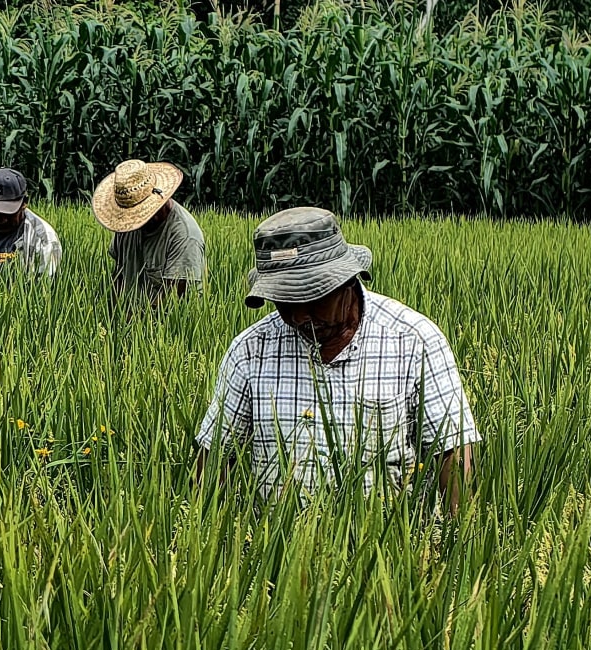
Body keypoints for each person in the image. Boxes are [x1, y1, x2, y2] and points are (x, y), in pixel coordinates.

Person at [195, 207, 479, 511]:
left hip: (388, 547)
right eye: (285, 302)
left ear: (346, 281)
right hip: (280, 548)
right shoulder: (250, 350)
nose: (300, 316)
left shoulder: (413, 340)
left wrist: (455, 542)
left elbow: (453, 449)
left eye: (313, 298)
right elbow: (214, 456)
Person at [91, 159, 205, 299]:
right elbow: (119, 275)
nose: (132, 221)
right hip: (130, 314)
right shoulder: (126, 225)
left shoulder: (185, 237)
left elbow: (173, 301)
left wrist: (134, 319)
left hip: (164, 318)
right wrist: (112, 313)